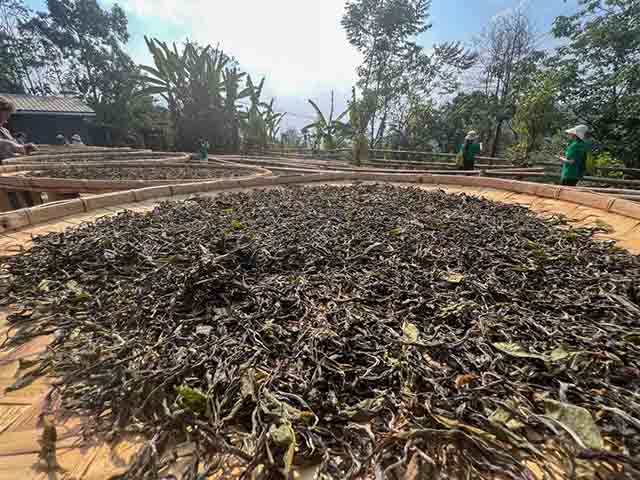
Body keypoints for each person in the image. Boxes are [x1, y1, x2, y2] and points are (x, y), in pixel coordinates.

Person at [0, 96, 37, 162]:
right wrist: (16, 147)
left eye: (7, 117)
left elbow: (16, 148)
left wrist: (24, 147)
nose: (6, 121)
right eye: (5, 117)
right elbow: (6, 144)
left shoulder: (5, 131)